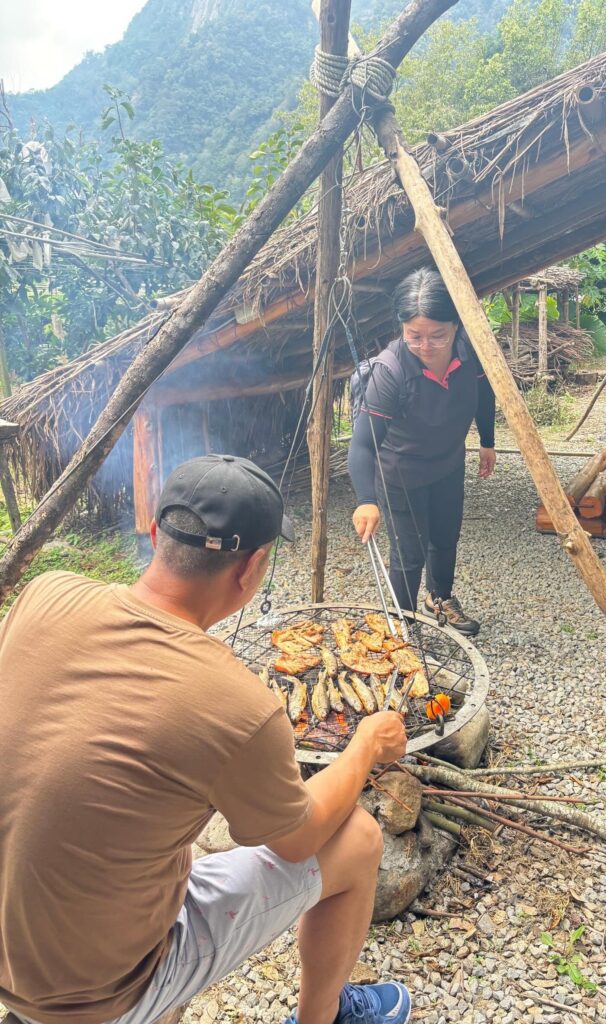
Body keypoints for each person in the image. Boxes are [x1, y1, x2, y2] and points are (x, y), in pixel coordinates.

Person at [0, 454, 409, 1024]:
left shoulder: (46, 593)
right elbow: (300, 839)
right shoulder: (237, 706)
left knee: (169, 841)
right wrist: (364, 744)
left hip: (16, 950)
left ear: (154, 533)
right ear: (252, 568)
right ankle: (323, 1017)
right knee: (359, 837)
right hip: (94, 996)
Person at [348, 267, 496, 636]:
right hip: (401, 472)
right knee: (409, 553)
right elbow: (363, 444)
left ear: (455, 327)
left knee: (445, 537)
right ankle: (403, 623)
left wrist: (487, 441)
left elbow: (485, 395)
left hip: (448, 462)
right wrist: (366, 499)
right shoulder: (390, 371)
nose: (426, 346)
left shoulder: (468, 352)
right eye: (414, 336)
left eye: (437, 335)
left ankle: (440, 597)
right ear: (401, 328)